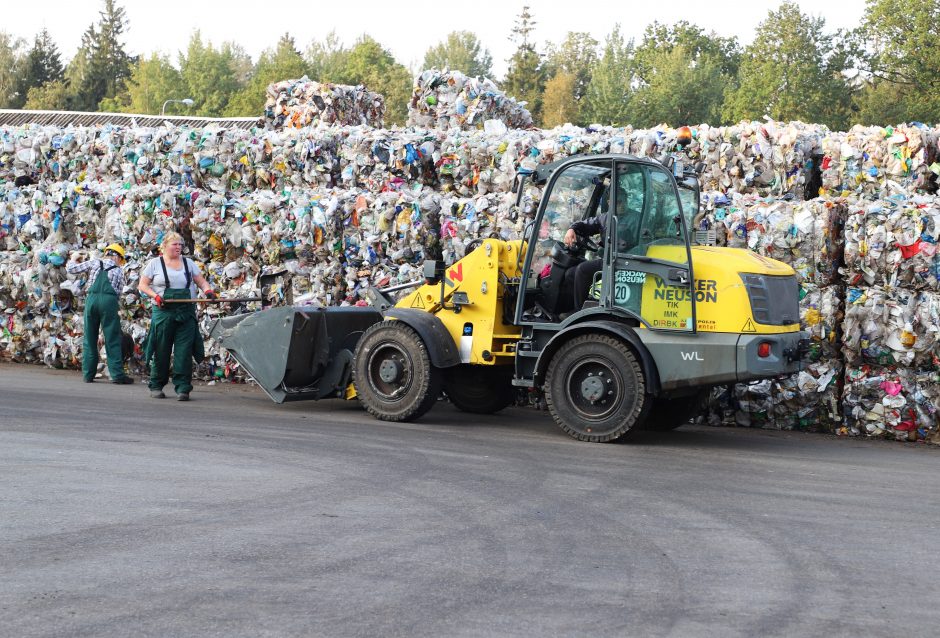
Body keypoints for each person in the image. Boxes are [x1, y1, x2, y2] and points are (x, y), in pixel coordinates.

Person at [138, 232, 216, 401]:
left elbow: (201, 281)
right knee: (161, 350)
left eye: (180, 244)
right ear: (164, 246)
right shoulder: (154, 264)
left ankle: (183, 388)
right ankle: (157, 385)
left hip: (186, 313)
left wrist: (208, 291)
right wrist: (155, 296)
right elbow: (143, 285)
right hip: (163, 312)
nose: (179, 247)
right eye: (175, 244)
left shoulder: (189, 264)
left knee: (184, 352)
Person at [66, 243, 135, 384]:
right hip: (109, 302)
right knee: (112, 338)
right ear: (117, 257)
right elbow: (120, 291)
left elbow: (72, 269)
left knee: (89, 338)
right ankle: (117, 375)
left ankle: (88, 375)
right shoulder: (119, 271)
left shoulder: (95, 262)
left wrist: (73, 257)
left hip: (91, 300)